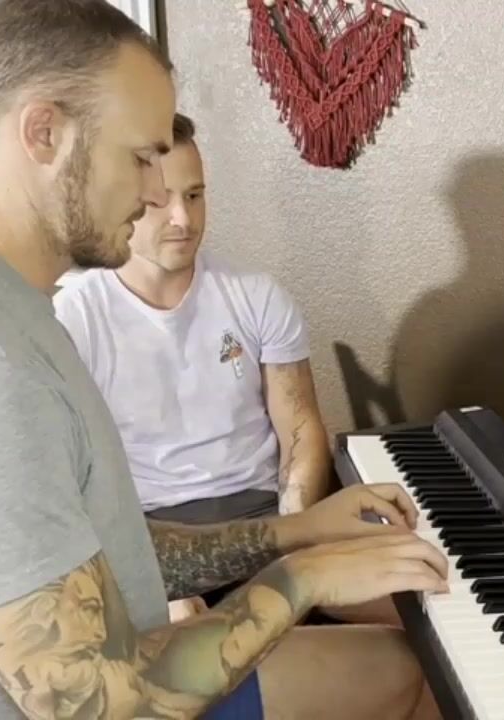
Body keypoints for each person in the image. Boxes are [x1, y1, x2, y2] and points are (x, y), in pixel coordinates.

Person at [0, 1, 445, 719]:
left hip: (126, 662)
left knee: (407, 661)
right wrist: (303, 578)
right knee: (418, 674)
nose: (155, 195)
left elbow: (98, 552)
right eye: (141, 157)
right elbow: (92, 703)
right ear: (44, 134)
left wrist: (296, 532)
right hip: (119, 700)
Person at [52, 112, 347, 617]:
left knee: (410, 602)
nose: (184, 220)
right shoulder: (74, 318)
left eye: (194, 196)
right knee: (183, 623)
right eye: (159, 201)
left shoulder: (257, 296)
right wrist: (156, 580)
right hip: (150, 531)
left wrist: (295, 535)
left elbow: (300, 427)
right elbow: (69, 479)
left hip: (260, 515)